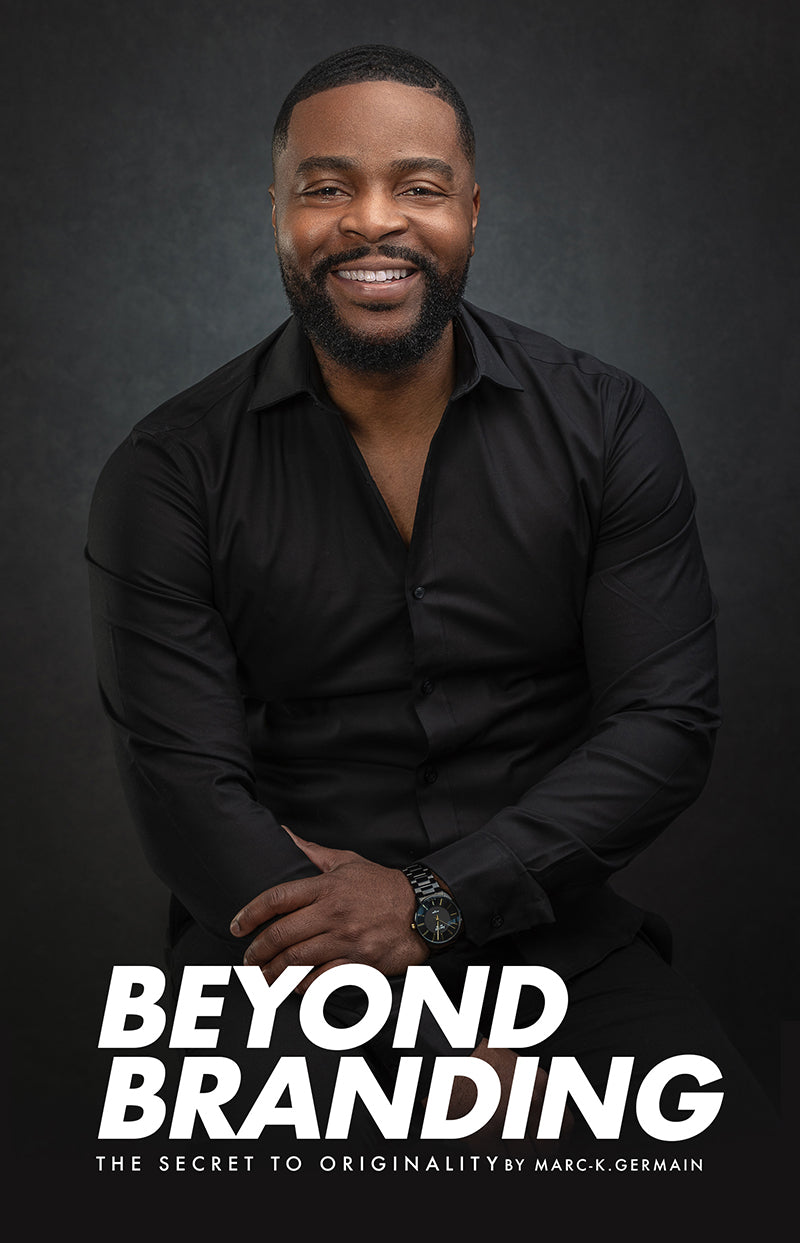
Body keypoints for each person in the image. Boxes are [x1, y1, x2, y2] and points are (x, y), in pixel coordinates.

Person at [87, 44, 772, 1154]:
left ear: (469, 208)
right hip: (277, 948)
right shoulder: (166, 472)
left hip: (548, 938)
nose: (371, 223)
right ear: (276, 210)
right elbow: (183, 787)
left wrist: (434, 903)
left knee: (738, 1175)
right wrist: (404, 1028)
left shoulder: (607, 427)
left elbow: (662, 729)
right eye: (325, 186)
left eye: (415, 186)